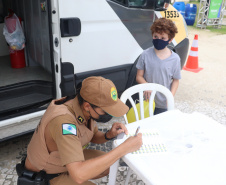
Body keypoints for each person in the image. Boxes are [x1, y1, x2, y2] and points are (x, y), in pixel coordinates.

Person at [17, 76, 142, 185]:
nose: (109, 114)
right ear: (87, 106)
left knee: (107, 166)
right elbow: (79, 174)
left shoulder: (83, 107)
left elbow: (92, 135)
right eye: (105, 111)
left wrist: (109, 135)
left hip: (62, 161)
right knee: (85, 174)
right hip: (44, 174)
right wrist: (124, 148)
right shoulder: (64, 122)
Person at [136, 18, 181, 115]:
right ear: (152, 35)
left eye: (163, 38)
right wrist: (147, 85)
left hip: (164, 103)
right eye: (156, 36)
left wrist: (170, 97)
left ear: (170, 40)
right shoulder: (145, 54)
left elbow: (176, 80)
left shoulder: (175, 59)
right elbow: (139, 76)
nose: (158, 40)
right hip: (148, 101)